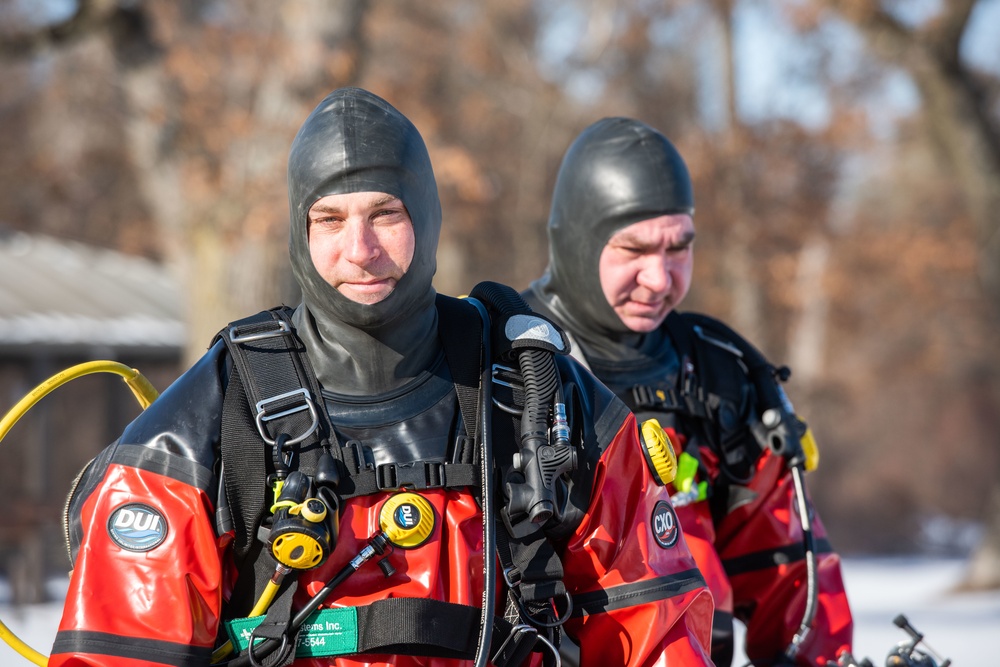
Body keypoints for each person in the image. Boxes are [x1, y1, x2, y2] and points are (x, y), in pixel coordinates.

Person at [49, 89, 715, 667]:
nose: (360, 249)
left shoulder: (543, 398)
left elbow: (657, 633)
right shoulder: (211, 420)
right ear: (299, 232)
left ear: (425, 217)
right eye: (330, 219)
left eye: (385, 214)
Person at [522, 117, 854, 667]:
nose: (660, 278)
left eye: (679, 248)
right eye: (633, 249)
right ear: (578, 240)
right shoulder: (504, 361)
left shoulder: (715, 372)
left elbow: (795, 574)